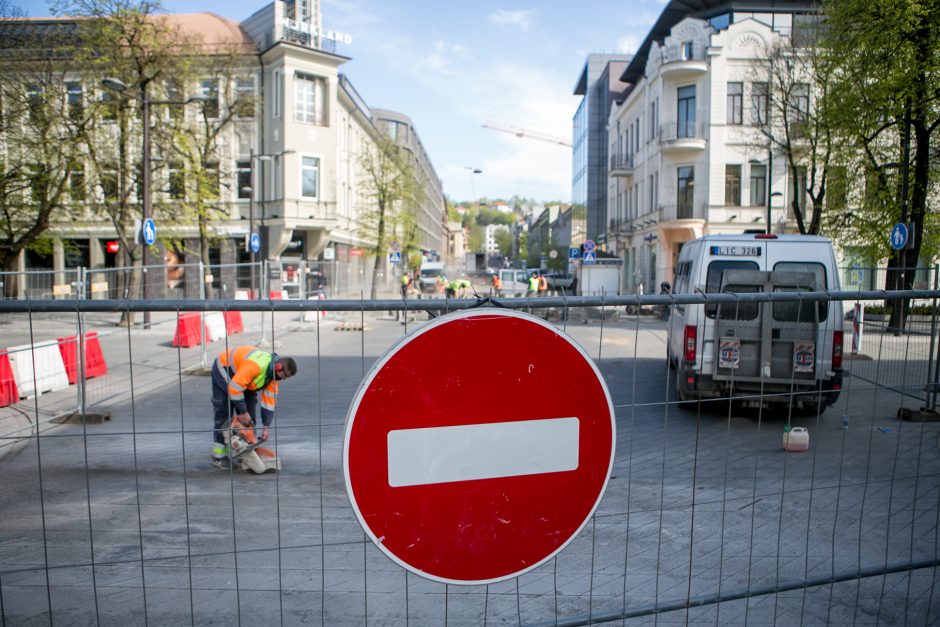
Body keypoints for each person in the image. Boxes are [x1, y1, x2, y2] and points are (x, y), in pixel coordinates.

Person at [211, 346, 297, 469]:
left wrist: (266, 427)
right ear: (278, 367)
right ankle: (218, 457)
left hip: (244, 379)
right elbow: (234, 388)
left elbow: (269, 403)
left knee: (249, 419)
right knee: (224, 411)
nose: (281, 379)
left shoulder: (273, 376)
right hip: (225, 368)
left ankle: (244, 452)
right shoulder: (256, 366)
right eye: (283, 376)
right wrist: (243, 412)